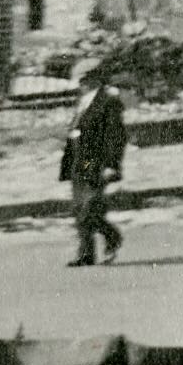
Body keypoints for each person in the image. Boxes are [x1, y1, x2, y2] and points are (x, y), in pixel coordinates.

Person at [62, 69, 128, 267]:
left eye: (84, 80)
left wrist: (111, 164)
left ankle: (111, 236)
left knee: (88, 207)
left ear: (95, 80)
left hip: (93, 161)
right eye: (80, 80)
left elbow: (116, 136)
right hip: (78, 159)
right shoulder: (83, 101)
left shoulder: (107, 102)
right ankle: (87, 254)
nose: (81, 84)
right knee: (80, 208)